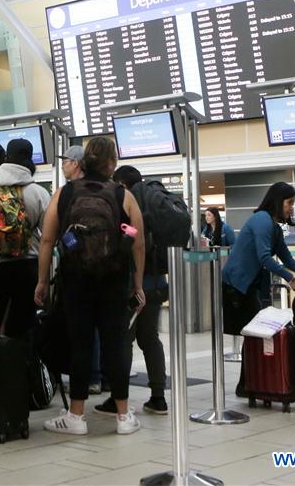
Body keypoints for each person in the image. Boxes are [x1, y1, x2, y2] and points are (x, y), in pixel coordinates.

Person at [34, 137, 146, 436]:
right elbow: (138, 243)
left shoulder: (65, 193)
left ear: (84, 161)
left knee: (81, 343)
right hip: (114, 281)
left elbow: (47, 240)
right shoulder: (123, 195)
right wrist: (137, 284)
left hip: (76, 280)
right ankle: (123, 416)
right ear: (112, 162)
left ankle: (76, 416)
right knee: (116, 344)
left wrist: (43, 281)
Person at [222, 181, 295, 397]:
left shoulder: (273, 226)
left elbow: (289, 260)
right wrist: (291, 279)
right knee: (255, 334)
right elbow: (265, 257)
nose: (291, 207)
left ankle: (251, 383)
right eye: (289, 202)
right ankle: (249, 383)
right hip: (236, 286)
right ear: (277, 201)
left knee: (256, 335)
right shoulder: (262, 220)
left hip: (248, 286)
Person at [94, 165, 169, 416]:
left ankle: (118, 399)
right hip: (158, 283)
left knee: (123, 341)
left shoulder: (130, 210)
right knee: (150, 339)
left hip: (136, 285)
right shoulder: (154, 207)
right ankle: (158, 397)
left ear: (123, 185)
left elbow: (133, 247)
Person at [0, 138, 51, 337]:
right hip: (28, 267)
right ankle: (21, 365)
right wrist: (44, 279)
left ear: (7, 158)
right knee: (23, 326)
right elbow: (47, 238)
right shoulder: (39, 193)